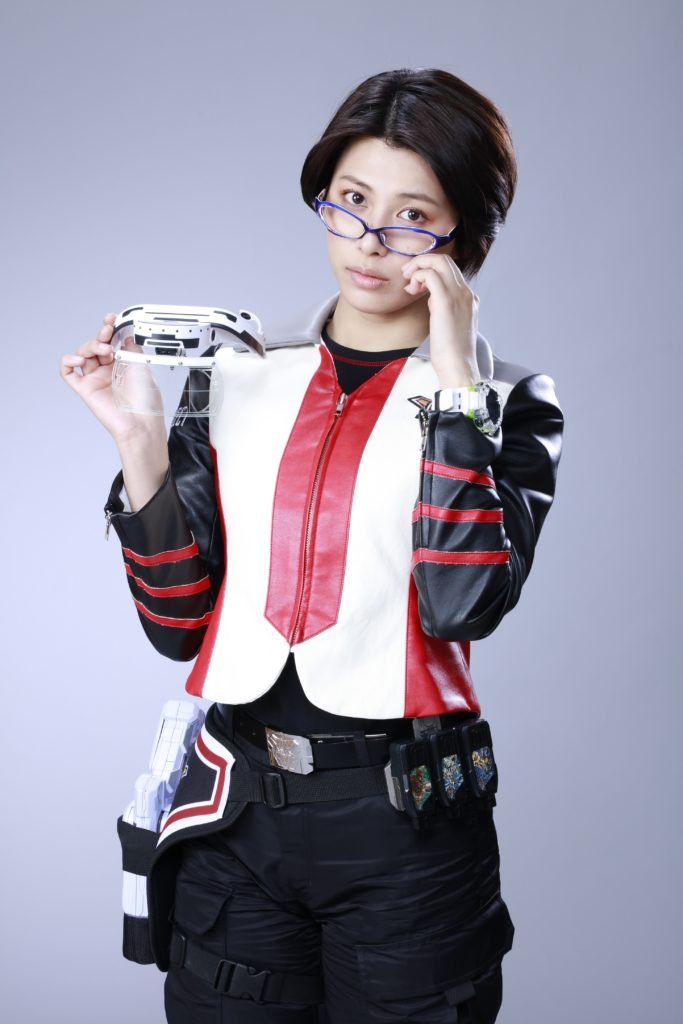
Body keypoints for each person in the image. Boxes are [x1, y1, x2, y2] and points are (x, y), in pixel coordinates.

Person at [61, 67, 563, 1024]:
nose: (369, 241)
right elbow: (177, 626)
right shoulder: (237, 373)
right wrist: (141, 448)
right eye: (350, 201)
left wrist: (455, 385)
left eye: (412, 217)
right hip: (233, 814)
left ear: (464, 238)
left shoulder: (506, 401)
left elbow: (462, 604)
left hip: (406, 832)